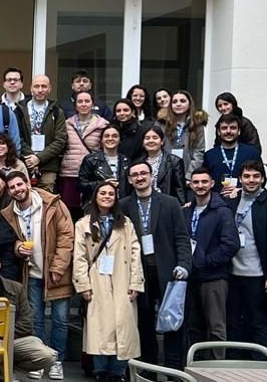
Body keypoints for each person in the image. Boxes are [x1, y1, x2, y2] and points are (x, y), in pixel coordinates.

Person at [119, 160, 191, 369]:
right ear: (130, 180)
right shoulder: (123, 206)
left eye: (144, 173)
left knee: (172, 323)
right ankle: (147, 369)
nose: (140, 178)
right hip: (138, 273)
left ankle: (173, 370)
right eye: (135, 175)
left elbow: (181, 238)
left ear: (151, 176)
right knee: (143, 322)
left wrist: (185, 265)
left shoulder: (169, 203)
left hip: (168, 272)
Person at [3, 171, 74, 380]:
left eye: (19, 184)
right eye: (12, 187)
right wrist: (17, 248)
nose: (17, 189)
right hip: (31, 271)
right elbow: (10, 241)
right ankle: (42, 360)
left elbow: (66, 236)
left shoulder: (52, 203)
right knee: (36, 319)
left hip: (56, 271)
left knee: (60, 319)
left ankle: (57, 361)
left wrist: (58, 267)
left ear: (28, 183)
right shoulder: (8, 213)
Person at [72, 182, 144, 382]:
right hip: (97, 280)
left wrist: (136, 283)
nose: (106, 196)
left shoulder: (126, 223)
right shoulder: (83, 224)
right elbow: (79, 257)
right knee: (99, 329)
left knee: (122, 325)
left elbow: (136, 252)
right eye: (102, 193)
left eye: (111, 194)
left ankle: (118, 372)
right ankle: (100, 371)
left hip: (122, 278)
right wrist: (83, 285)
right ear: (95, 197)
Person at [0, 248, 62, 381]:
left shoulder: (15, 287)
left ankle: (7, 369)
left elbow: (27, 322)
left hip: (11, 338)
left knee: (48, 356)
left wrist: (2, 335)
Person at [227, 161, 267, 360]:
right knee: (234, 323)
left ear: (263, 178)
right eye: (247, 176)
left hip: (258, 276)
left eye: (255, 176)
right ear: (240, 179)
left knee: (259, 323)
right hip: (233, 274)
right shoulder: (232, 202)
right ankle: (234, 367)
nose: (251, 180)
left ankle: (260, 368)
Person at [182, 168, 238, 353]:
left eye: (204, 182)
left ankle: (217, 371)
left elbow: (231, 245)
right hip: (191, 278)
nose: (200, 186)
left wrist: (205, 261)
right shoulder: (187, 211)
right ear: (190, 185)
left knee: (216, 327)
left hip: (213, 278)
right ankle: (195, 368)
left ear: (212, 184)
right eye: (195, 182)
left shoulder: (222, 211)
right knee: (193, 326)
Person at [26, 74, 69, 191]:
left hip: (48, 166)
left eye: (44, 86)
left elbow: (60, 140)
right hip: (25, 164)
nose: (40, 90)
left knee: (47, 202)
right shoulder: (21, 109)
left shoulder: (57, 111)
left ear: (49, 89)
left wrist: (39, 158)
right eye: (36, 86)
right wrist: (31, 158)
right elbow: (17, 137)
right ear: (31, 89)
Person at [204, 115, 262, 192]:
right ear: (218, 132)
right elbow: (204, 181)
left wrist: (241, 190)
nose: (228, 131)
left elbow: (261, 180)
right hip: (217, 202)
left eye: (233, 128)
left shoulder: (252, 153)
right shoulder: (209, 156)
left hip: (245, 200)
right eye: (224, 128)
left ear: (239, 131)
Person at [134, 124, 187, 205]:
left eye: (155, 138)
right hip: (143, 203)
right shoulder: (138, 163)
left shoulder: (174, 161)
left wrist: (181, 206)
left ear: (162, 141)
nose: (151, 141)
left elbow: (179, 189)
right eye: (147, 138)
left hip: (166, 204)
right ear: (143, 142)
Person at [157, 90, 208, 174]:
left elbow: (199, 152)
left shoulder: (197, 124)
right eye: (174, 102)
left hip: (188, 171)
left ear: (189, 104)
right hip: (164, 171)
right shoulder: (161, 123)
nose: (178, 104)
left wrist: (190, 175)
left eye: (183, 101)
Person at [78, 124, 129, 206]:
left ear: (120, 140)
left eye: (115, 136)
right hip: (96, 205)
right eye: (106, 136)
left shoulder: (126, 161)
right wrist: (102, 183)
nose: (110, 138)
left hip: (121, 205)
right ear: (101, 140)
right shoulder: (90, 160)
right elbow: (81, 185)